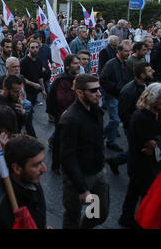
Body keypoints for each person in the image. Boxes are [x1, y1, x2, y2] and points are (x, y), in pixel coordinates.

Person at [58, 74, 109, 229]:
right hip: (77, 178)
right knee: (73, 216)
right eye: (93, 91)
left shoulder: (96, 110)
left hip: (97, 173)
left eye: (99, 89)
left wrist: (101, 164)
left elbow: (98, 141)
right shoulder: (70, 120)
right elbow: (67, 157)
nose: (99, 94)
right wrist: (82, 188)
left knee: (99, 213)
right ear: (79, 93)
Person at [118, 83, 161, 229]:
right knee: (147, 194)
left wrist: (157, 144)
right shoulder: (141, 117)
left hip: (151, 161)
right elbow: (149, 142)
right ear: (153, 99)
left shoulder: (159, 114)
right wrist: (157, 143)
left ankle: (126, 216)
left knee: (133, 189)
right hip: (141, 163)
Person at [106, 62, 155, 176]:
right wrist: (135, 126)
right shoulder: (129, 91)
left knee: (138, 149)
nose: (153, 71)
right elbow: (123, 113)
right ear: (142, 75)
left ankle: (116, 161)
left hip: (145, 124)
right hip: (135, 127)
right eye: (149, 71)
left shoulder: (147, 85)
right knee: (138, 150)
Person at [46, 54, 80, 173]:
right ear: (67, 66)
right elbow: (63, 100)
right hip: (63, 116)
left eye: (78, 63)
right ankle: (56, 166)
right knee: (60, 142)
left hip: (73, 116)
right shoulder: (63, 80)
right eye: (75, 63)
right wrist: (76, 92)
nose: (78, 65)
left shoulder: (75, 78)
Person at [100, 42, 133, 152]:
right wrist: (116, 88)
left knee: (116, 119)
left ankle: (110, 141)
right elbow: (103, 80)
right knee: (115, 119)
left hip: (121, 96)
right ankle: (101, 138)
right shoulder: (111, 64)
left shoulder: (125, 63)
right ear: (118, 51)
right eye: (126, 51)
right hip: (112, 96)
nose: (128, 53)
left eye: (129, 51)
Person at [20, 38, 46, 138]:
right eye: (32, 48)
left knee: (28, 114)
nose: (35, 49)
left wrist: (43, 90)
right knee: (29, 115)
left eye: (36, 47)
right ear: (28, 48)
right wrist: (32, 84)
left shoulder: (39, 61)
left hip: (35, 92)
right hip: (26, 92)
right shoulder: (23, 62)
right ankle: (32, 136)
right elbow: (22, 78)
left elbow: (40, 77)